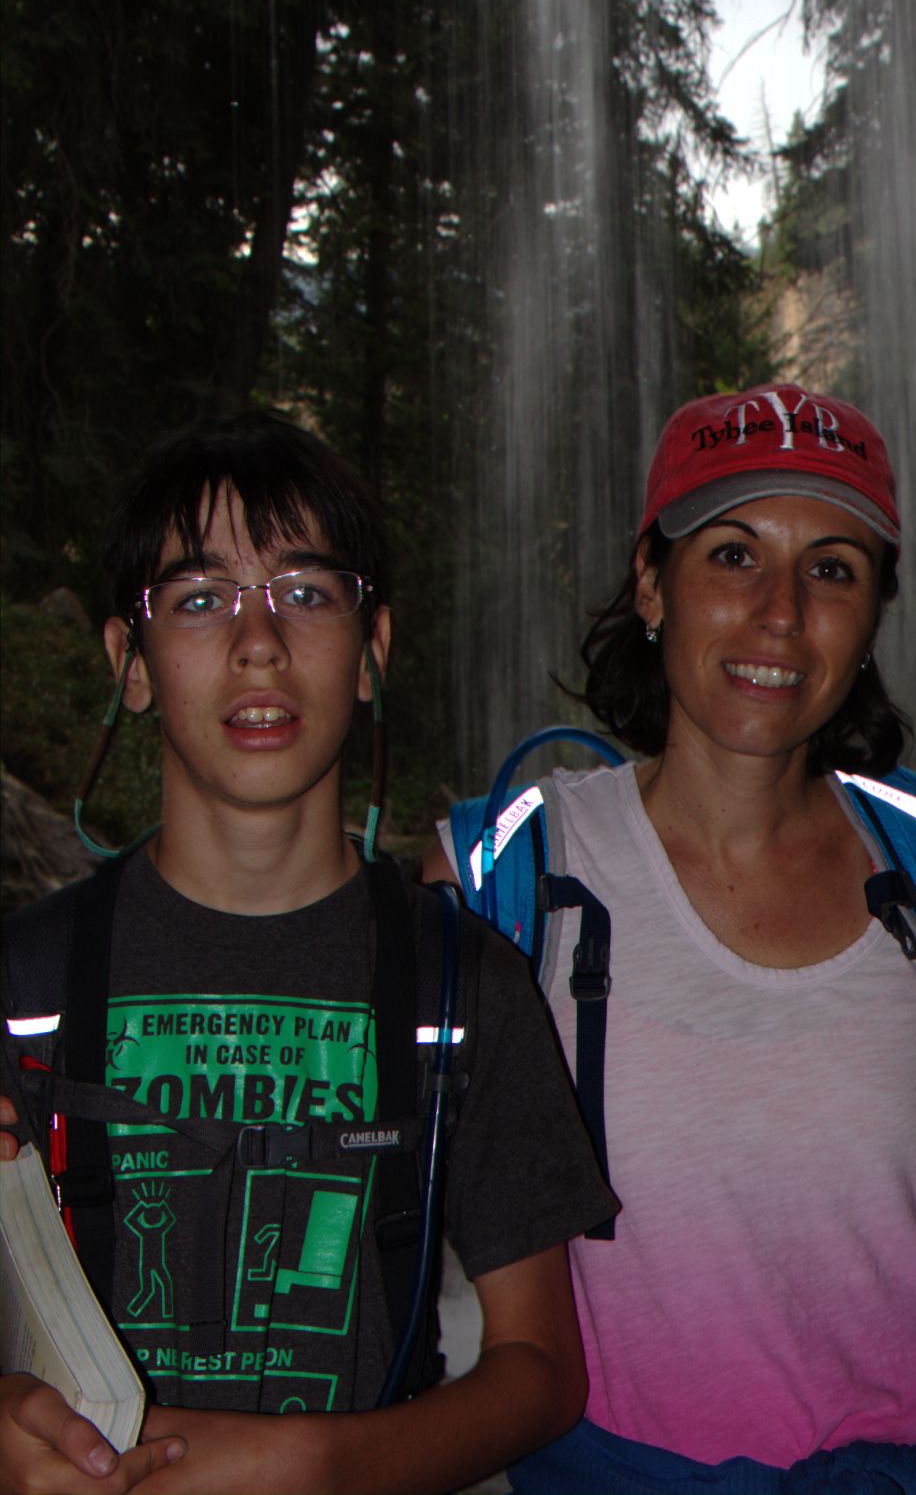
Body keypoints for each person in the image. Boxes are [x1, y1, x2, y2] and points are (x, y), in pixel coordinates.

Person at [426, 381, 916, 1494]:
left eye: (834, 569)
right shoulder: (501, 873)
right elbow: (296, 1086)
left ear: (871, 616)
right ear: (650, 584)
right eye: (733, 555)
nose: (781, 612)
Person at [0, 409, 616, 1495]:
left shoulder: (460, 986)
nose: (258, 641)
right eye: (197, 599)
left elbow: (540, 1366)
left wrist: (325, 1461)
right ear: (129, 662)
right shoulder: (22, 984)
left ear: (372, 651)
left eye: (306, 592)